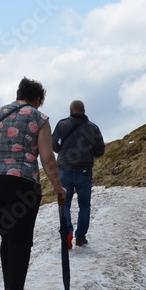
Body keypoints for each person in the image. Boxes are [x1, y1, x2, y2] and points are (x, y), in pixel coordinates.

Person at [0, 76, 66, 290]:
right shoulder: (38, 117)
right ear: (37, 99)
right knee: (21, 239)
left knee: (7, 236)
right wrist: (58, 188)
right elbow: (47, 158)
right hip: (20, 182)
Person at [51, 99, 105, 247]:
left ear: (70, 111)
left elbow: (54, 145)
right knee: (84, 205)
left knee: (64, 203)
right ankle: (80, 238)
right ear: (84, 111)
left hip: (65, 170)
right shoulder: (93, 128)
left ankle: (67, 232)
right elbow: (100, 151)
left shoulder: (62, 124)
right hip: (84, 171)